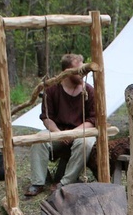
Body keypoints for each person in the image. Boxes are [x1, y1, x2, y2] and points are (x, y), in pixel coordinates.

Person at [25, 53, 96, 197]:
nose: (82, 73)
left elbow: (92, 119)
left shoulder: (88, 91)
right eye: (78, 70)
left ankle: (65, 182)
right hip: (57, 132)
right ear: (66, 71)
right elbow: (46, 118)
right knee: (39, 138)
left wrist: (72, 134)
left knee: (86, 143)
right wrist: (58, 133)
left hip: (80, 132)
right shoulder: (52, 90)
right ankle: (38, 182)